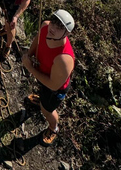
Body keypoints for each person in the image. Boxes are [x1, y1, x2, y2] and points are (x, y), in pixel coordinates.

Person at [22, 10, 75, 145]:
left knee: (47, 109)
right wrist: (30, 55)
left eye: (60, 27)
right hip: (44, 75)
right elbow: (37, 41)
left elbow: (53, 85)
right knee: (43, 95)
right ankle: (41, 100)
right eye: (54, 21)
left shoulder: (64, 59)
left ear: (67, 33)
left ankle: (53, 127)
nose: (53, 28)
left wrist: (30, 68)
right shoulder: (46, 26)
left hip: (54, 90)